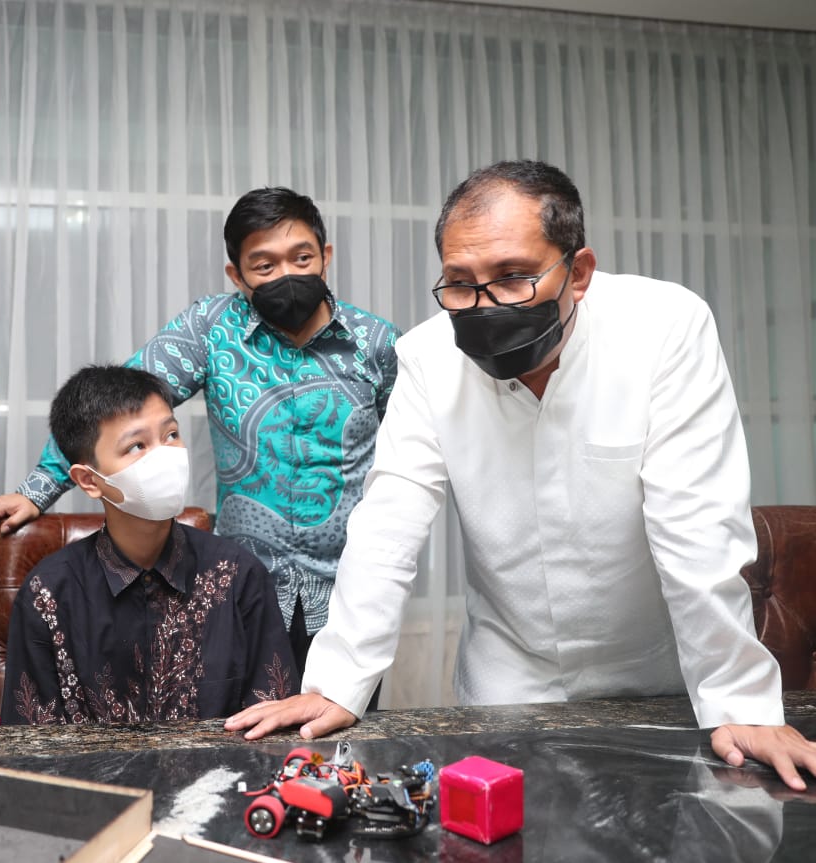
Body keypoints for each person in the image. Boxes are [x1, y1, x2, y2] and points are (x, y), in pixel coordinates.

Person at [225, 160, 816, 791]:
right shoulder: (426, 357)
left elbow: (696, 526)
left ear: (578, 272)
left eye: (512, 278)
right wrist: (337, 682)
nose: (484, 304)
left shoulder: (663, 328)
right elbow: (388, 523)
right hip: (507, 681)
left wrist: (740, 703)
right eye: (460, 283)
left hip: (656, 679)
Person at [0, 187, 401, 675]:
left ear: (325, 257)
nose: (286, 274)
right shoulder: (212, 328)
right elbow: (114, 406)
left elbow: (406, 460)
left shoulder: (377, 343)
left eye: (301, 258)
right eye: (265, 265)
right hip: (243, 586)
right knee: (242, 716)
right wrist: (36, 492)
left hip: (352, 587)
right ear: (237, 275)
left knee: (345, 722)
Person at [0, 365, 296, 724]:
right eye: (136, 446)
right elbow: (31, 743)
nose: (165, 456)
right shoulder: (49, 594)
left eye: (171, 434)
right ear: (89, 480)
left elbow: (273, 728)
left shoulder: (239, 577)